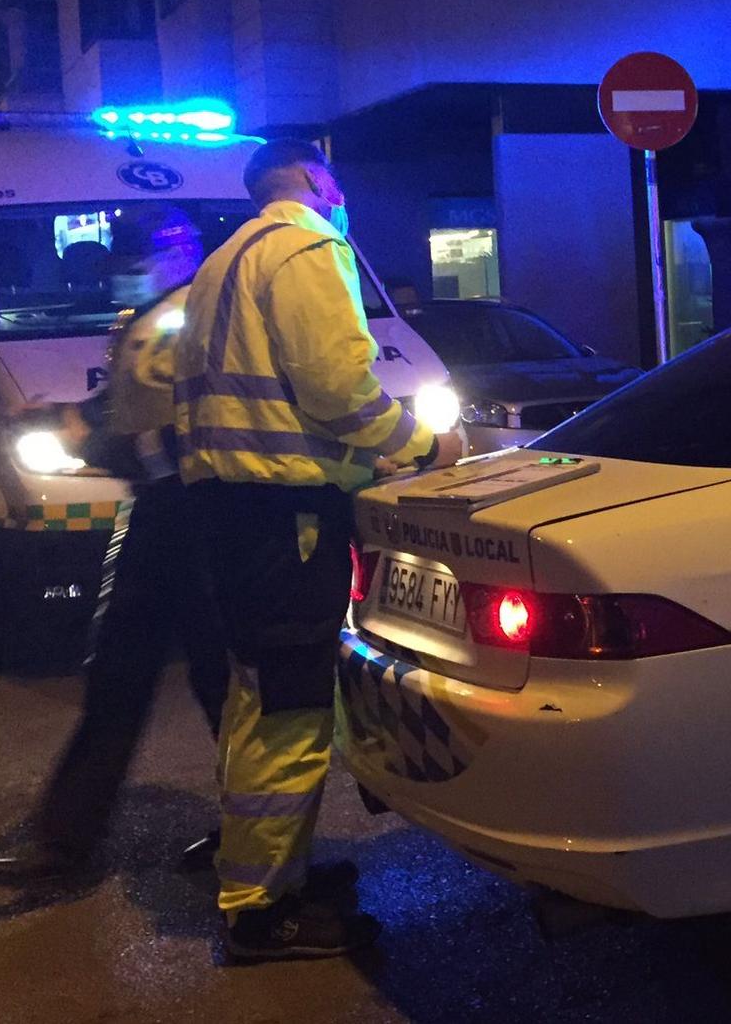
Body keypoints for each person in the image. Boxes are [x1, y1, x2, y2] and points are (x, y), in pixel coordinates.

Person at [173, 139, 461, 961]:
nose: (343, 198)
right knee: (291, 710)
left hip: (234, 514)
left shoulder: (223, 259)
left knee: (256, 698)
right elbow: (339, 389)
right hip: (286, 516)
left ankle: (269, 874)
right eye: (338, 183)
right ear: (317, 180)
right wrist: (422, 446)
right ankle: (262, 911)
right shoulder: (307, 245)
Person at [0, 208, 229, 884]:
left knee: (222, 684)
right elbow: (119, 410)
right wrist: (59, 419)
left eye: (133, 260)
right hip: (158, 522)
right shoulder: (149, 319)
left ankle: (257, 834)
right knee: (118, 678)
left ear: (177, 253)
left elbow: (169, 430)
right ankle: (62, 843)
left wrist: (94, 436)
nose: (121, 273)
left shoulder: (195, 316)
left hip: (198, 522)